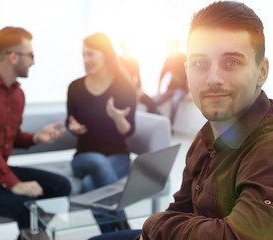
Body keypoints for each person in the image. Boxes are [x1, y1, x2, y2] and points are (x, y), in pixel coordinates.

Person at [89, 1, 273, 239]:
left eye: (232, 62)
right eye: (200, 63)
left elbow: (237, 236)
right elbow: (180, 208)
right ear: (187, 70)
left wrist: (155, 226)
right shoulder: (206, 135)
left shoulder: (267, 144)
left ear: (262, 71)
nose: (213, 78)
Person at [0, 26, 71, 232]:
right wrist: (14, 184)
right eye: (31, 55)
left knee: (61, 186)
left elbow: (10, 137)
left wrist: (36, 137)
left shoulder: (18, 95)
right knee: (24, 206)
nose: (33, 62)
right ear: (13, 57)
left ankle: (32, 236)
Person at [66, 32, 137, 232]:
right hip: (84, 157)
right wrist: (72, 127)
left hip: (118, 156)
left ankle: (110, 236)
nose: (86, 60)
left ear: (105, 55)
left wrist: (117, 118)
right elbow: (70, 120)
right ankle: (127, 231)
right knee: (98, 162)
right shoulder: (75, 87)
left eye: (91, 54)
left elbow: (128, 131)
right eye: (83, 55)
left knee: (90, 184)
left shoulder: (124, 87)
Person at [119, 39, 159, 114]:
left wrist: (139, 89)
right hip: (123, 91)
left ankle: (164, 123)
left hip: (134, 89)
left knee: (152, 104)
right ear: (123, 47)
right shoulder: (118, 61)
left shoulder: (134, 61)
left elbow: (137, 77)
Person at [154, 39, 188, 126]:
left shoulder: (183, 57)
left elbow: (190, 75)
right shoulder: (168, 59)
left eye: (172, 46)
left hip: (181, 89)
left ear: (177, 47)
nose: (170, 49)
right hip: (170, 88)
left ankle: (170, 125)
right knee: (154, 102)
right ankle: (164, 121)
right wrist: (158, 91)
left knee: (175, 100)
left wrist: (190, 93)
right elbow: (162, 75)